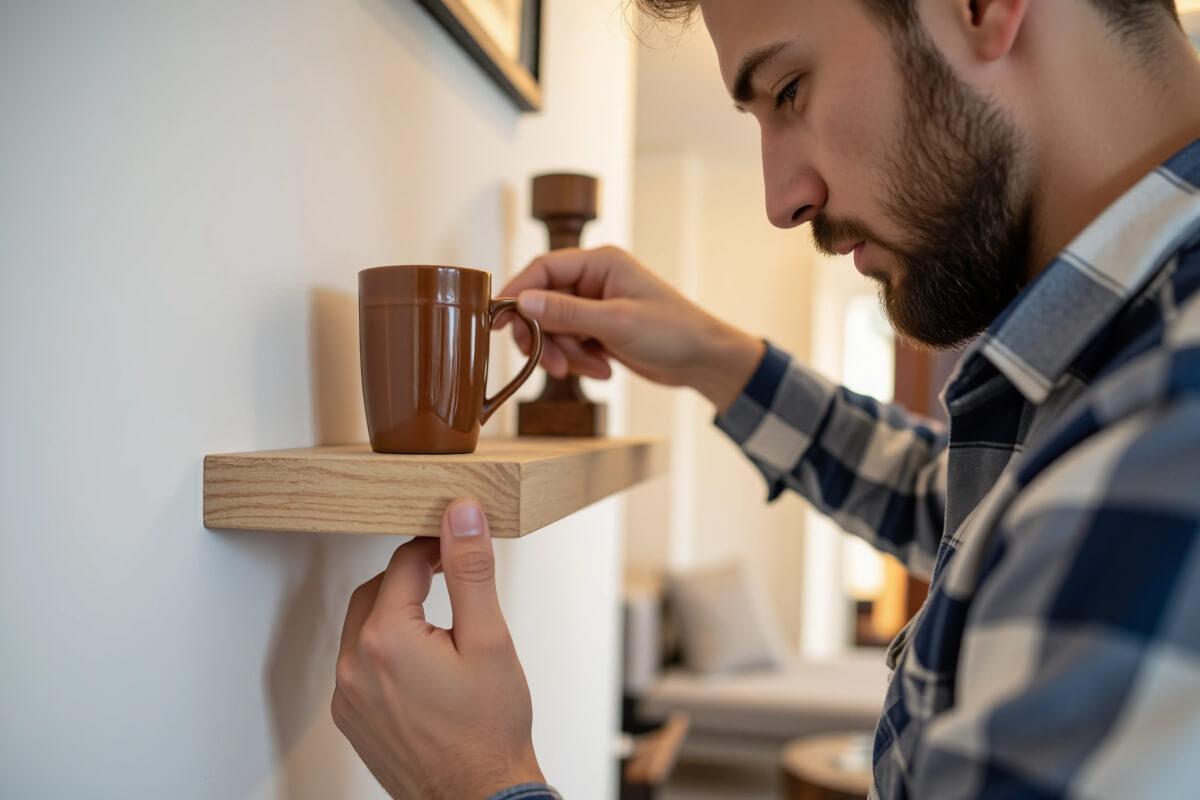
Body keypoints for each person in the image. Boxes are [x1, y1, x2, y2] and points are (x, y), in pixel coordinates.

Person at [330, 0, 1200, 797]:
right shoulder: (1115, 379)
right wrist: (713, 358)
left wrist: (483, 782)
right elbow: (962, 510)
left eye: (790, 89)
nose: (782, 199)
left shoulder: (1171, 430)